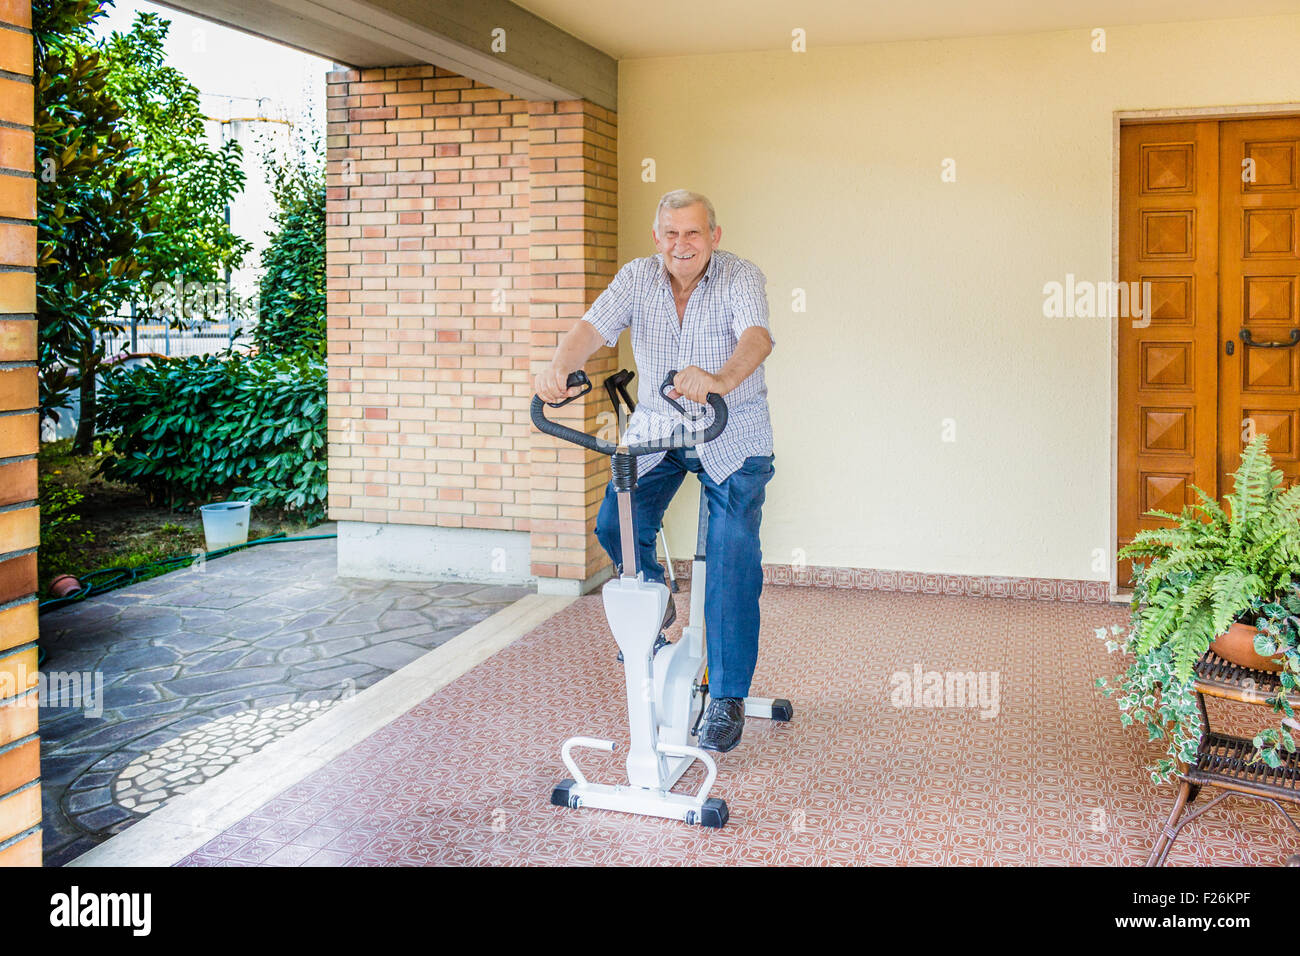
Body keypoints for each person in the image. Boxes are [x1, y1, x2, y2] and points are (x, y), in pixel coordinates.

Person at [533, 189, 776, 753]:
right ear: (656, 237)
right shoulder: (638, 277)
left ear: (713, 236)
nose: (681, 244)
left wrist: (719, 380)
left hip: (731, 425)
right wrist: (557, 368)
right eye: (671, 233)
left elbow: (756, 339)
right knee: (614, 524)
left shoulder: (741, 276)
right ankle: (656, 597)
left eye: (693, 233)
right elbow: (592, 329)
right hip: (660, 427)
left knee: (732, 549)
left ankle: (727, 696)